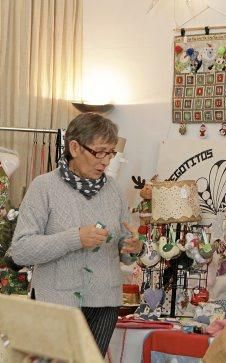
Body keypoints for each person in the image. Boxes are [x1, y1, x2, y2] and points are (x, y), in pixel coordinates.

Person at [10, 112, 142, 356]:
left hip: (105, 303)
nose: (106, 161)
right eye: (100, 152)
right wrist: (75, 238)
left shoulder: (114, 190)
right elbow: (20, 250)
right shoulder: (43, 187)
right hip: (56, 304)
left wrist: (132, 248)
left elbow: (126, 248)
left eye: (111, 153)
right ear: (74, 147)